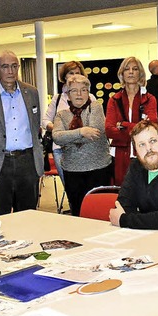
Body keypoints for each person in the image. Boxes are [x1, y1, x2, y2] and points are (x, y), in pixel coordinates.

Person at [0, 50, 44, 216]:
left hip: (27, 161)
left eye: (14, 66)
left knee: (29, 213)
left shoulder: (32, 92)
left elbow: (35, 125)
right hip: (0, 163)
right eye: (5, 67)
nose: (10, 71)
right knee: (1, 213)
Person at [53, 74, 112, 216]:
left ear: (88, 93)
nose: (79, 94)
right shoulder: (61, 114)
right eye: (74, 90)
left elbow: (95, 133)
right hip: (72, 170)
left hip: (98, 168)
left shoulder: (96, 107)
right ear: (68, 95)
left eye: (83, 90)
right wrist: (82, 131)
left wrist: (68, 138)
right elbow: (57, 137)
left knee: (99, 213)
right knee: (77, 212)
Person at [105, 57, 158, 185]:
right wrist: (138, 129)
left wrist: (123, 125)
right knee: (122, 190)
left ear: (140, 73)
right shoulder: (114, 100)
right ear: (122, 73)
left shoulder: (149, 99)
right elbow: (109, 130)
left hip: (144, 152)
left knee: (144, 190)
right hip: (119, 155)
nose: (130, 72)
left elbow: (151, 127)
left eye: (135, 69)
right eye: (127, 69)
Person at [42, 60, 95, 185]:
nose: (75, 76)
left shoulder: (90, 98)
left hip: (84, 148)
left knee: (85, 187)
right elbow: (45, 121)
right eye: (71, 73)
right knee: (70, 187)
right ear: (64, 76)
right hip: (60, 149)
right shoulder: (58, 98)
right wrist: (59, 130)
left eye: (78, 73)